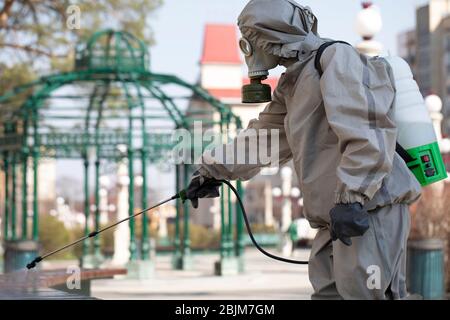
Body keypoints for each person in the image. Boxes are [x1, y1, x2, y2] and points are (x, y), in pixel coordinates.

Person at [184, 0, 421, 300]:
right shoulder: (293, 83)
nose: (247, 48)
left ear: (265, 35)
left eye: (249, 37)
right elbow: (262, 139)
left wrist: (353, 197)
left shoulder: (334, 57)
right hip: (334, 218)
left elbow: (366, 132)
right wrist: (211, 171)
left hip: (367, 211)